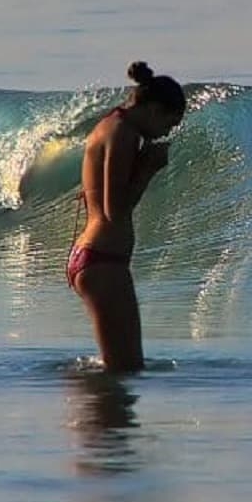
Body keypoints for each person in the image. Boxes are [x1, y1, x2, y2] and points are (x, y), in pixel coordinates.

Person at [66, 61, 186, 372]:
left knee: (122, 369)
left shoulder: (110, 124)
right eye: (169, 125)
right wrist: (148, 169)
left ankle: (99, 415)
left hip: (96, 258)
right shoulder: (123, 133)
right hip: (102, 260)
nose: (164, 133)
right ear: (154, 111)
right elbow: (113, 210)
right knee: (124, 370)